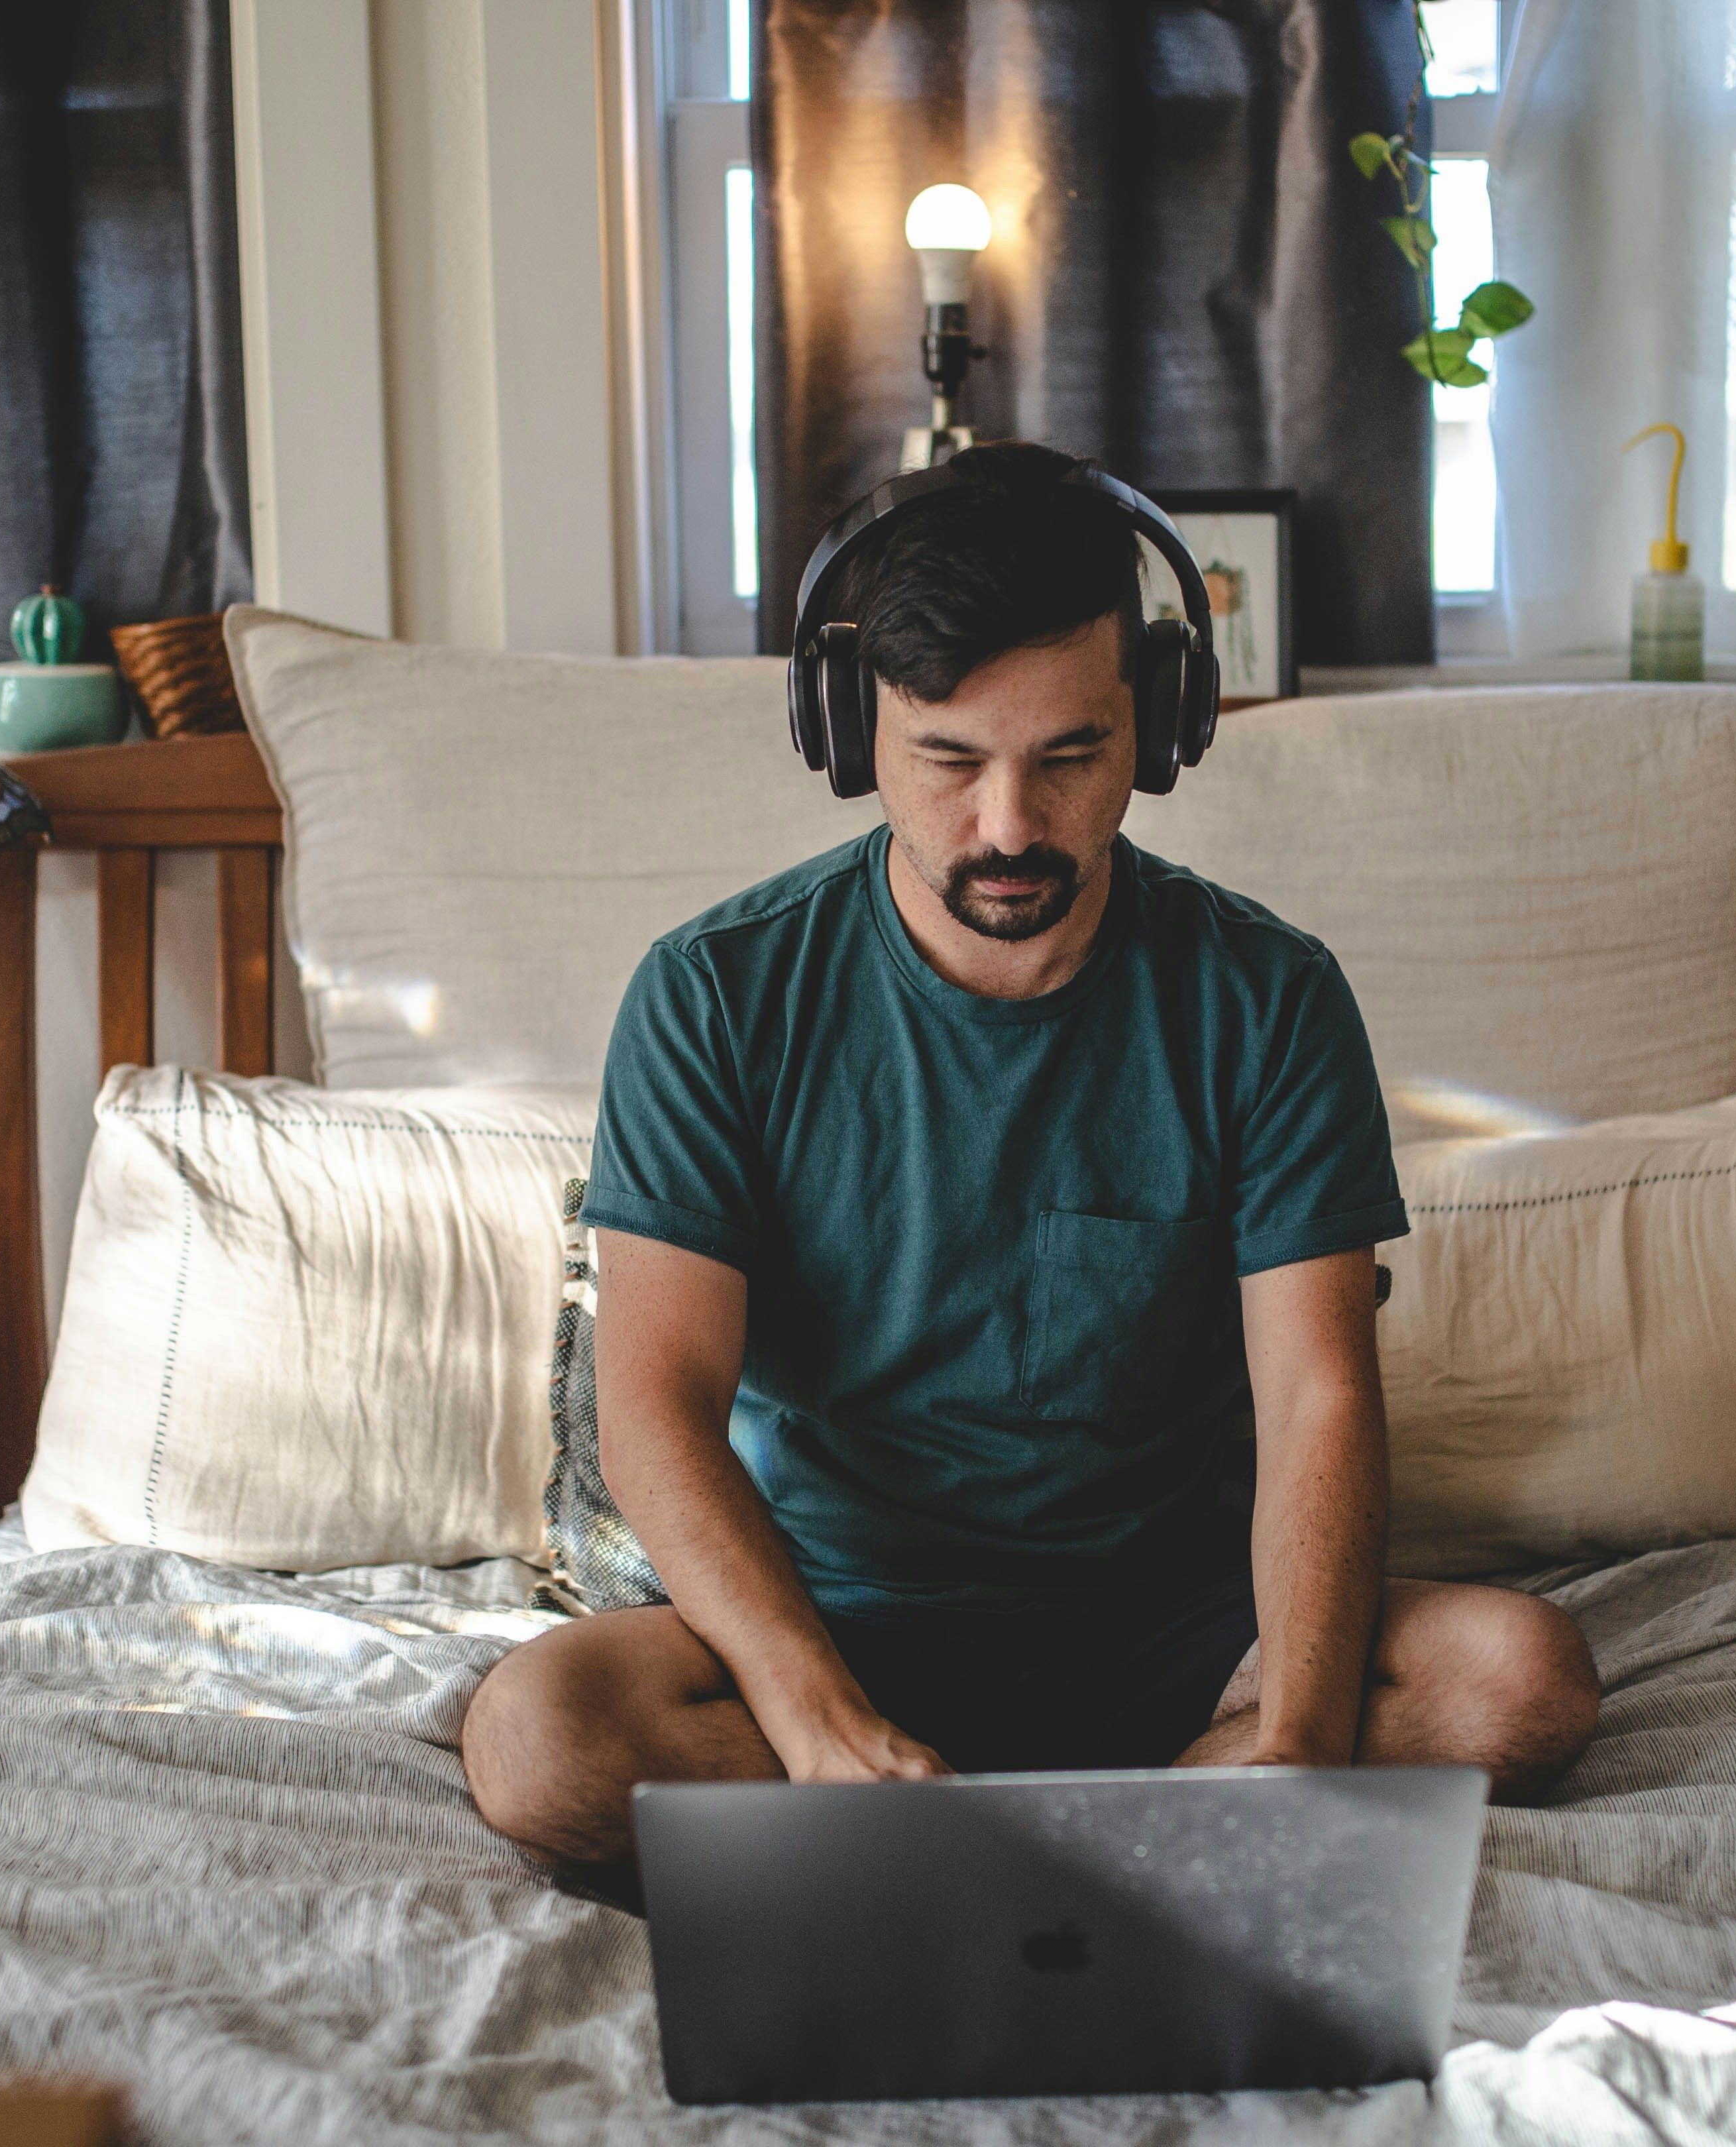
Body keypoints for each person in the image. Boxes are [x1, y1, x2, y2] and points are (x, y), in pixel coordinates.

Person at [461, 443, 1601, 1871]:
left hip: (1180, 1625)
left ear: (1164, 725)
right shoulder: (714, 993)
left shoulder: (1268, 995)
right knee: (539, 1744)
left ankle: (1139, 1810)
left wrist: (1300, 1748)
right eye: (949, 761)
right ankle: (1054, 1821)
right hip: (833, 1617)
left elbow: (1316, 1396)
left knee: (1520, 1682)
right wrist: (821, 1731)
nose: (1010, 827)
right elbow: (656, 1409)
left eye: (1072, 757)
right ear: (848, 730)